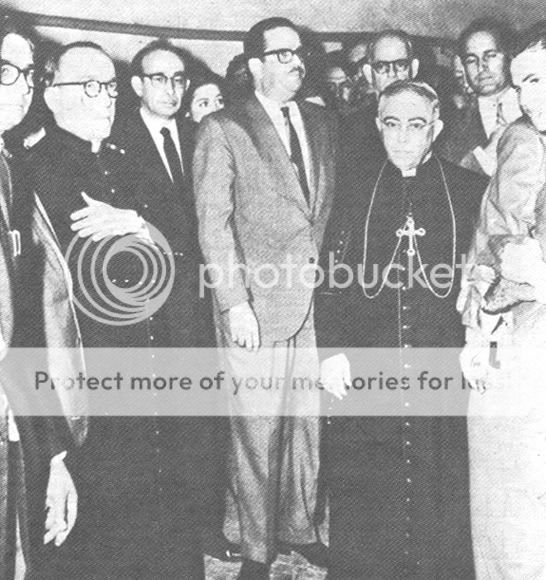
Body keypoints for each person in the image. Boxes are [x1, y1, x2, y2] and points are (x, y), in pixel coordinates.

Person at [29, 41, 205, 579]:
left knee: (166, 536)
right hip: (89, 403)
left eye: (109, 86)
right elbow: (29, 321)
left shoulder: (135, 166)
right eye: (90, 86)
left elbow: (191, 259)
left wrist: (140, 225)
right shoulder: (31, 174)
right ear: (50, 93)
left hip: (158, 392)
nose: (105, 98)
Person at [318, 80, 486, 579]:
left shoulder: (468, 190)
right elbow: (329, 277)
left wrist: (479, 341)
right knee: (370, 492)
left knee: (442, 488)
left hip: (441, 362)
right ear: (377, 126)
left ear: (435, 128)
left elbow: (482, 277)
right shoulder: (353, 188)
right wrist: (332, 352)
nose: (403, 137)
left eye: (416, 125)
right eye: (392, 124)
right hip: (370, 365)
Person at [194, 16, 337, 580]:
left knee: (307, 423)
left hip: (314, 302)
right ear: (254, 65)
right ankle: (255, 549)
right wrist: (234, 303)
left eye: (300, 54)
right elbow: (214, 226)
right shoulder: (223, 128)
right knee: (257, 429)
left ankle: (300, 529)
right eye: (282, 55)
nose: (296, 63)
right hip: (253, 304)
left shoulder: (322, 123)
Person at [111, 39, 233, 562]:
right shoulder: (116, 139)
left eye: (178, 79)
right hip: (151, 305)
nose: (171, 88)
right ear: (137, 86)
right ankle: (165, 529)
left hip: (200, 300)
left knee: (204, 418)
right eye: (158, 78)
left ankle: (206, 526)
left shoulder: (199, 133)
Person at [459, 21, 546, 578]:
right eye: (522, 84)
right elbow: (491, 240)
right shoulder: (523, 138)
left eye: (537, 79)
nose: (527, 97)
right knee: (502, 502)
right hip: (516, 339)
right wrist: (478, 329)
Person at [0, 12, 85, 579]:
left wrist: (51, 449)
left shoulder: (13, 170)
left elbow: (26, 325)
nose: (24, 87)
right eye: (9, 71)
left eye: (30, 74)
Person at [437, 18, 521, 176]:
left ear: (509, 57)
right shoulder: (449, 123)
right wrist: (485, 155)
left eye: (490, 55)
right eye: (471, 60)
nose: (481, 66)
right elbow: (449, 178)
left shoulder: (536, 107)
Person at [342, 29, 419, 168]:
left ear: (414, 68)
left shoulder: (433, 120)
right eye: (381, 66)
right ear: (368, 73)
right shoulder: (352, 130)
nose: (392, 73)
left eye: (401, 65)